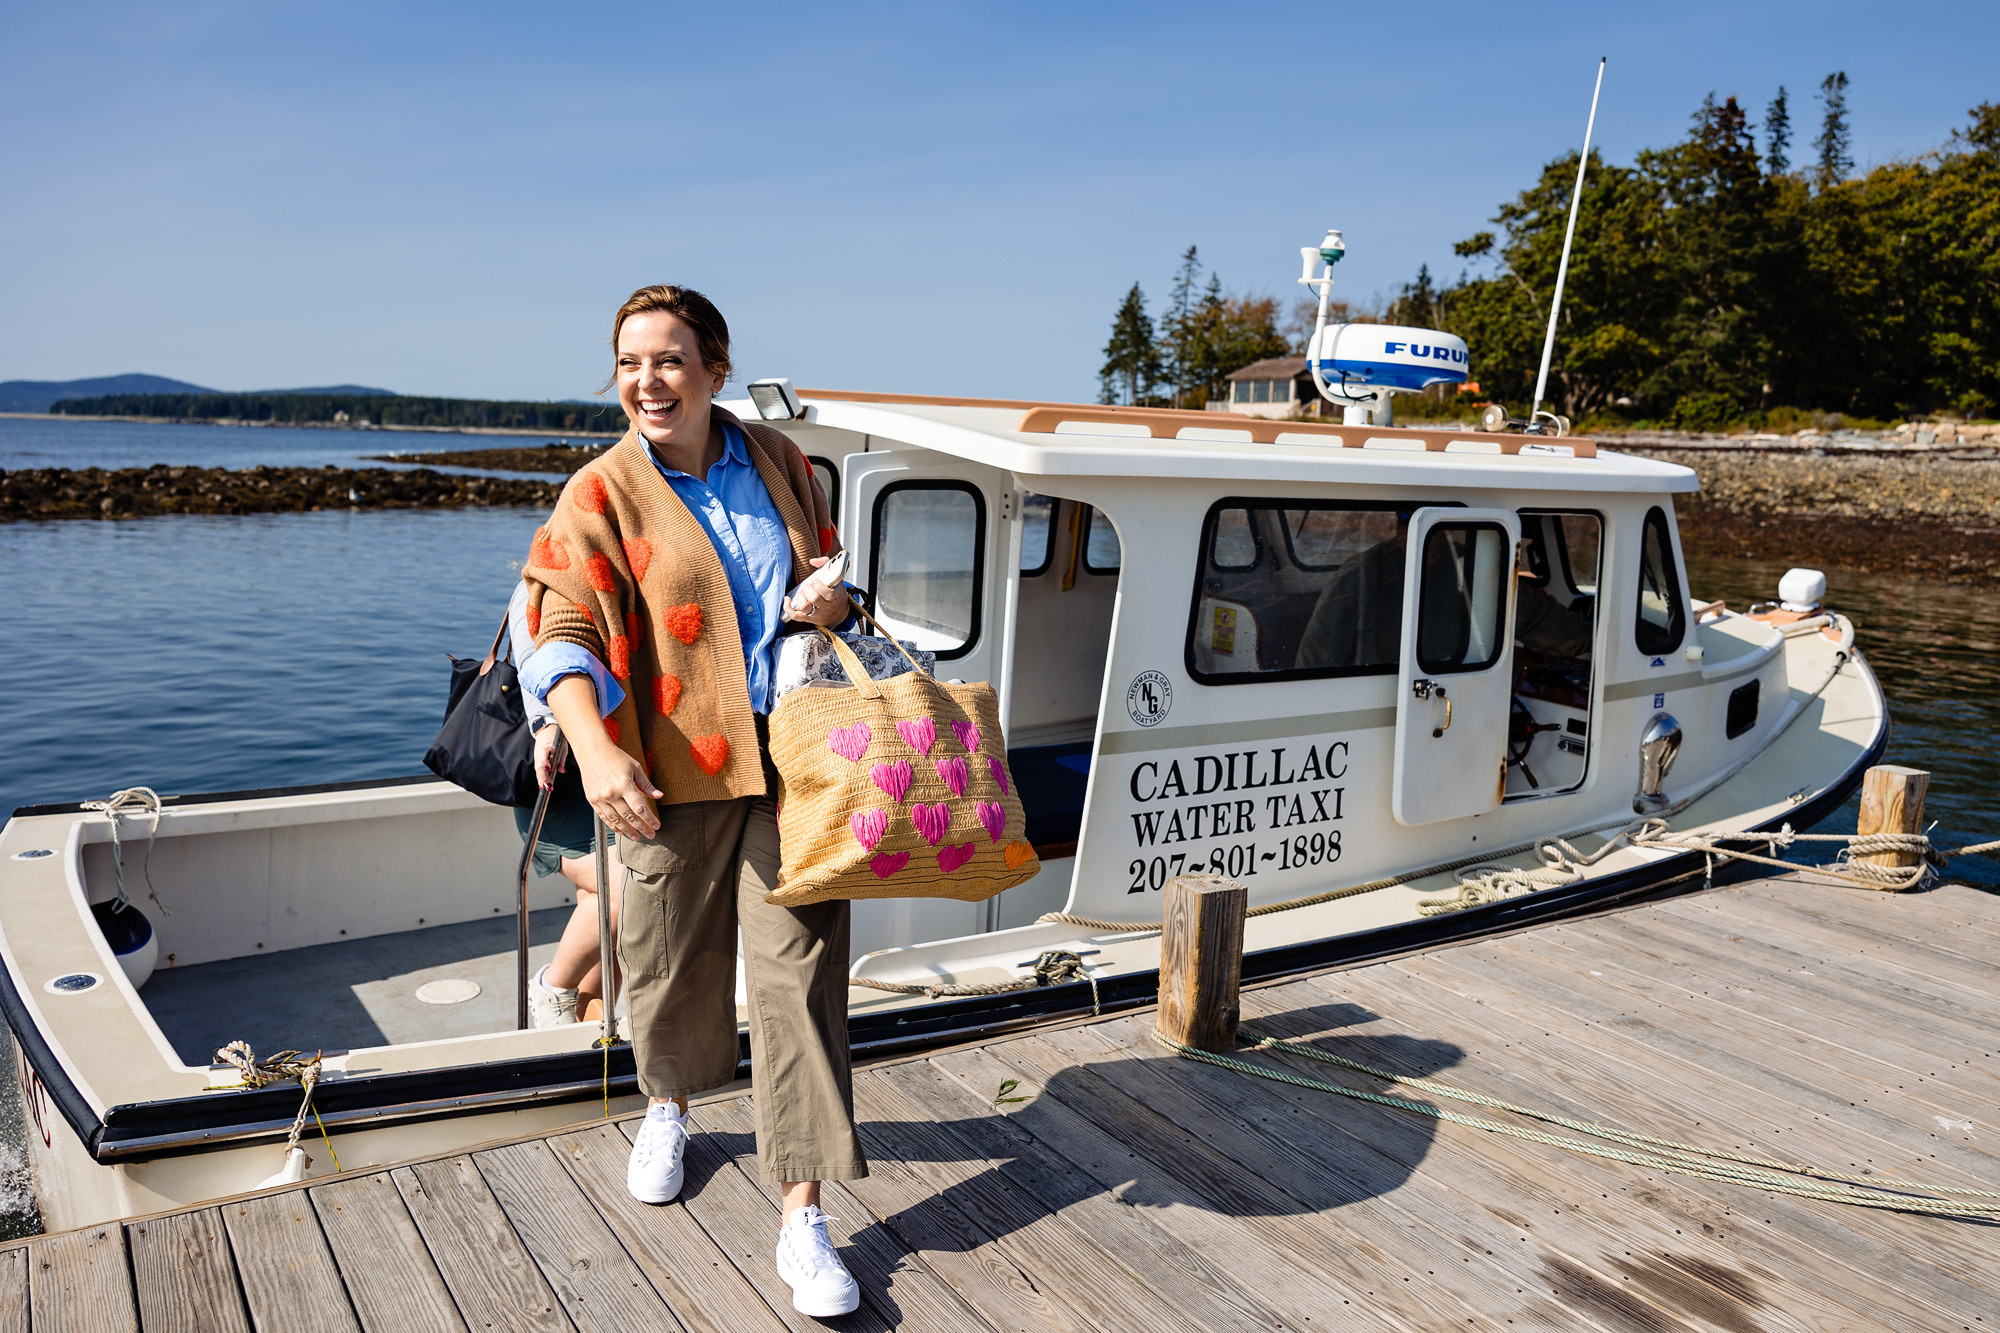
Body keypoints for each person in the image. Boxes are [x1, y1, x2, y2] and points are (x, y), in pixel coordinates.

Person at [519, 284, 864, 1321]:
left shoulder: (778, 462)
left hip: (795, 762)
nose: (645, 380)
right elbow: (561, 623)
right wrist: (589, 745)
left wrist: (829, 597)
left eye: (668, 359)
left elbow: (827, 573)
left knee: (800, 979)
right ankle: (666, 1101)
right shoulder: (602, 489)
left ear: (713, 368)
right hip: (663, 768)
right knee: (666, 961)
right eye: (629, 361)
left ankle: (803, 1212)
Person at [507, 579, 621, 1027]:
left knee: (602, 921)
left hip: (609, 766)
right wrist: (549, 723)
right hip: (558, 778)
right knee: (622, 892)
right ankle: (553, 988)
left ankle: (588, 1032)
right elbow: (537, 665)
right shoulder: (536, 588)